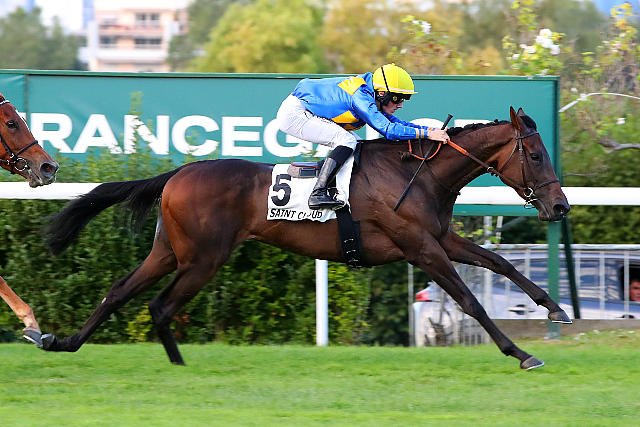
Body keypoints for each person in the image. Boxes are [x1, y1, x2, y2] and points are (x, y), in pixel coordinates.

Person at [277, 63, 450, 210]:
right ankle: (318, 193)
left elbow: (397, 123)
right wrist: (428, 134)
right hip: (295, 114)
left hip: (308, 110)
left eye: (404, 99)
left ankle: (335, 184)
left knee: (357, 145)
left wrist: (430, 130)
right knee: (347, 141)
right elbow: (389, 130)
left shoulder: (372, 92)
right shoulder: (361, 97)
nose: (400, 105)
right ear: (382, 94)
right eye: (397, 98)